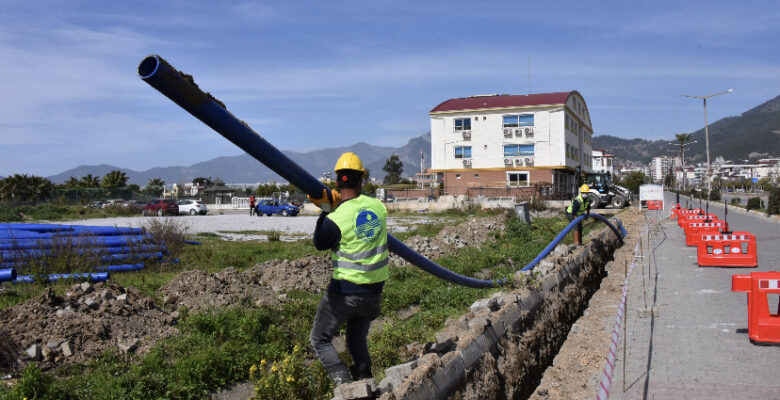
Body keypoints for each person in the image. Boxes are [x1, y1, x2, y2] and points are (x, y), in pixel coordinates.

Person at [308, 152, 389, 386]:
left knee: (320, 340)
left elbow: (319, 243)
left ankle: (344, 386)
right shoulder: (379, 208)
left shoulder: (337, 217)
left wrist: (326, 209)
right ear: (361, 180)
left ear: (337, 182)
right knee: (356, 341)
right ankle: (366, 381)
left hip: (345, 293)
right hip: (373, 294)